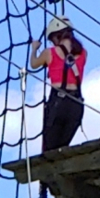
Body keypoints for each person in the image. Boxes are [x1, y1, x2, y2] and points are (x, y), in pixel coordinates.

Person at [28, 17, 87, 154]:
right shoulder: (84, 53)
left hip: (58, 103)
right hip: (76, 105)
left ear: (56, 36)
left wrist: (34, 49)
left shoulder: (50, 53)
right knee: (63, 148)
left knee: (49, 150)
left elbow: (34, 64)